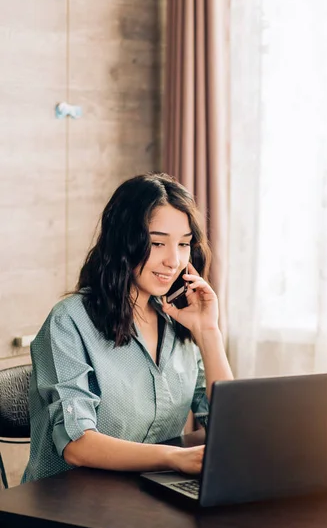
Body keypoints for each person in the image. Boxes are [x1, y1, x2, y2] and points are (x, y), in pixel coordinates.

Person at [22, 173, 233, 483]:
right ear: (124, 241)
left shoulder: (178, 320)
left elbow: (229, 427)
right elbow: (78, 445)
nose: (173, 260)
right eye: (157, 243)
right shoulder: (69, 321)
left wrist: (208, 332)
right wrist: (175, 458)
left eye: (184, 244)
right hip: (70, 506)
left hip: (147, 495)